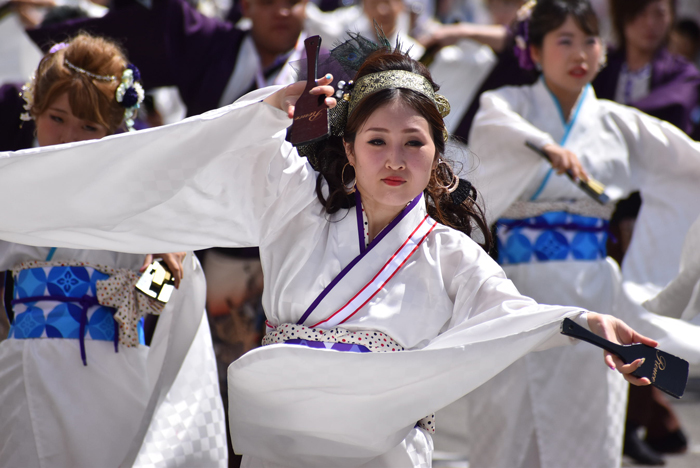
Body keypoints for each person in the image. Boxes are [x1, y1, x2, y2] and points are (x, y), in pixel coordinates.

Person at [0, 32, 660, 466]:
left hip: (367, 440)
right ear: (347, 149)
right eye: (376, 141)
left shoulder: (447, 253)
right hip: (258, 433)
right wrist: (271, 109)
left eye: (414, 144)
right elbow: (243, 155)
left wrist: (585, 324)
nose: (395, 160)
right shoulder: (294, 210)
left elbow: (510, 312)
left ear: (439, 157)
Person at [465, 0, 700, 467]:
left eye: (590, 40)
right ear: (533, 50)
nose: (580, 53)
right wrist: (544, 146)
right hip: (517, 292)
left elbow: (686, 162)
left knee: (588, 425)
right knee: (508, 423)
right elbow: (494, 125)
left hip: (592, 290)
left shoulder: (616, 121)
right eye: (564, 41)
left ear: (603, 50)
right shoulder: (511, 104)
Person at [0, 34, 227, 467]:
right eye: (57, 117)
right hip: (25, 366)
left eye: (89, 127)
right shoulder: (10, 184)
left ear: (114, 131)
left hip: (109, 370)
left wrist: (162, 267)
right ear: (34, 111)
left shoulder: (138, 199)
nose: (69, 137)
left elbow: (154, 300)